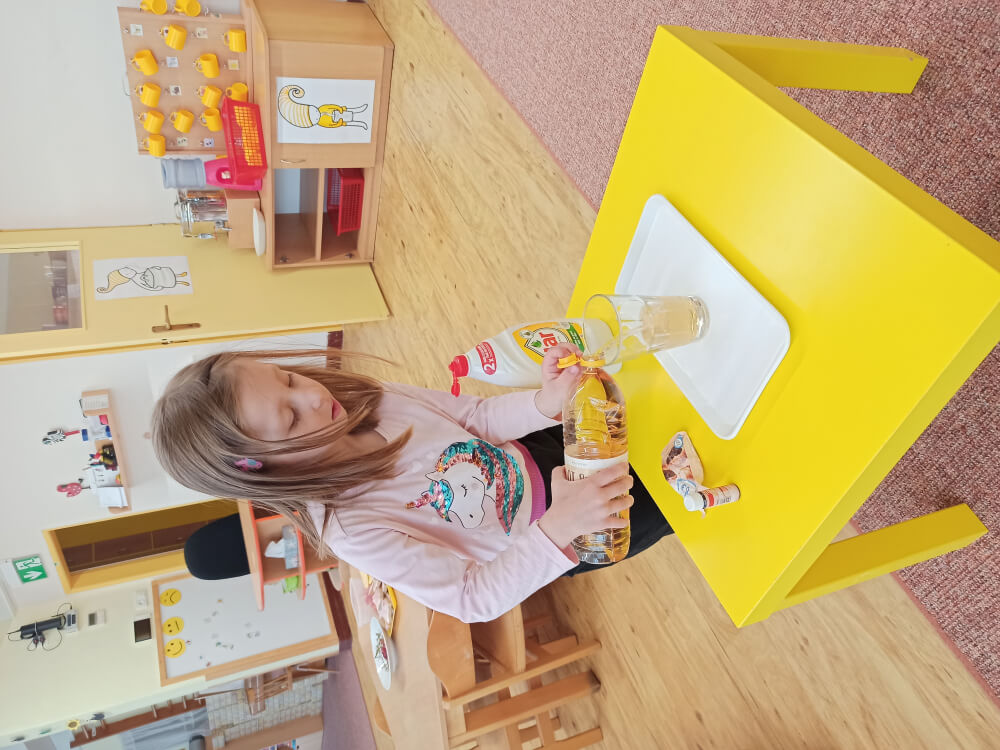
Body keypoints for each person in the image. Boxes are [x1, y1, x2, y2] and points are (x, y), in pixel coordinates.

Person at [151, 345, 673, 623]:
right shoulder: (352, 529)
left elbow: (474, 418)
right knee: (681, 490)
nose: (311, 398)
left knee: (671, 425)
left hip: (540, 454)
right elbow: (471, 598)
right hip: (565, 532)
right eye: (290, 419)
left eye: (287, 379)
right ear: (265, 468)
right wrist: (560, 526)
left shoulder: (365, 400)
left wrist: (544, 403)